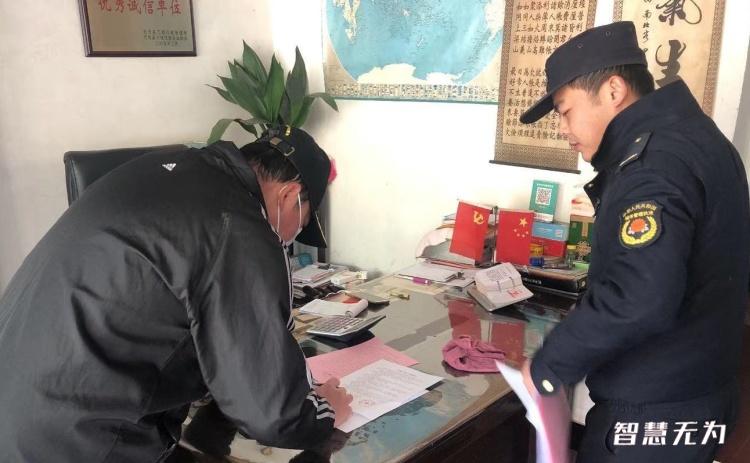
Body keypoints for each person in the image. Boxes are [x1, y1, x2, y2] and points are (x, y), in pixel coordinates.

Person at [0, 125, 353, 462]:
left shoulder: (166, 169)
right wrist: (324, 412)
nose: (290, 238)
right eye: (300, 224)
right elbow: (273, 415)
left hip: (21, 405)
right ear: (288, 195)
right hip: (81, 441)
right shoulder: (239, 225)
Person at [518, 21, 749, 462]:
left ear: (613, 90)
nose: (564, 130)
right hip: (703, 392)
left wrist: (549, 365)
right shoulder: (700, 138)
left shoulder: (651, 164)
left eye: (565, 111)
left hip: (653, 413)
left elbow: (641, 296)